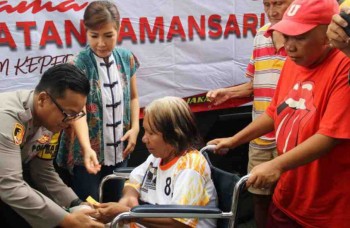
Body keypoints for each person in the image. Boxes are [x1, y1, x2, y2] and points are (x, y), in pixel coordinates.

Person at [208, 0, 350, 227]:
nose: (289, 46)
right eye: (286, 36)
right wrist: (235, 140)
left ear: (329, 35)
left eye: (300, 37)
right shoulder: (293, 63)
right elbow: (275, 112)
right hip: (287, 199)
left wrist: (276, 165)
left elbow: (330, 136)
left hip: (326, 210)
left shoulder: (344, 66)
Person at [206, 1, 293, 227]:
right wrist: (229, 93)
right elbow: (254, 85)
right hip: (260, 135)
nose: (272, 10)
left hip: (292, 138)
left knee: (291, 202)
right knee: (259, 199)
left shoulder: (302, 40)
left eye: (279, 3)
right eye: (267, 4)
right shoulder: (261, 35)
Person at [0, 63, 104, 228]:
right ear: (42, 99)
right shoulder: (7, 118)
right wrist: (67, 220)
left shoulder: (52, 122)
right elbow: (10, 185)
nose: (70, 121)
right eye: (69, 114)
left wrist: (78, 204)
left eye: (76, 115)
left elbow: (43, 171)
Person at [56, 1, 140, 202]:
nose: (101, 43)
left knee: (115, 208)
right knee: (89, 209)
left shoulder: (127, 58)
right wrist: (87, 148)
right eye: (94, 36)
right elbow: (79, 112)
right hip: (85, 155)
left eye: (108, 35)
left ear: (118, 30)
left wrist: (136, 128)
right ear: (86, 32)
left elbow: (134, 97)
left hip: (120, 150)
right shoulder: (78, 64)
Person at [93, 96, 218, 227]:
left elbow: (178, 223)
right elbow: (134, 180)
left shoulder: (190, 168)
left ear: (174, 134)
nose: (144, 139)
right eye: (145, 130)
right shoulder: (157, 157)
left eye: (151, 133)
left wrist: (127, 213)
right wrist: (129, 196)